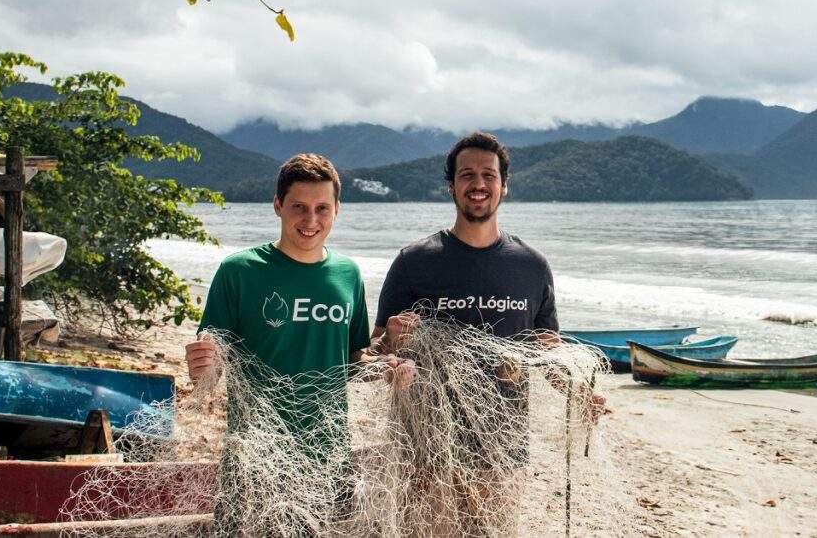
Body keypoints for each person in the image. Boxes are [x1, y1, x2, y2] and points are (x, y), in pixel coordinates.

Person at [371, 132, 605, 533]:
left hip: (503, 452)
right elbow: (375, 348)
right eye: (467, 175)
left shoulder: (531, 266)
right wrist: (390, 340)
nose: (478, 184)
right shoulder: (414, 262)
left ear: (503, 185)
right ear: (451, 186)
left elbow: (547, 351)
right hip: (426, 450)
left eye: (488, 175)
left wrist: (578, 391)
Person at [185, 153, 412, 530]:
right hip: (255, 459)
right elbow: (210, 370)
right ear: (277, 205)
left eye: (322, 208)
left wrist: (387, 360)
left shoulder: (347, 274)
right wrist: (202, 365)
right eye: (299, 207)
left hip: (331, 456)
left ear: (337, 209)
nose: (311, 220)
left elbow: (355, 358)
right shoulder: (239, 272)